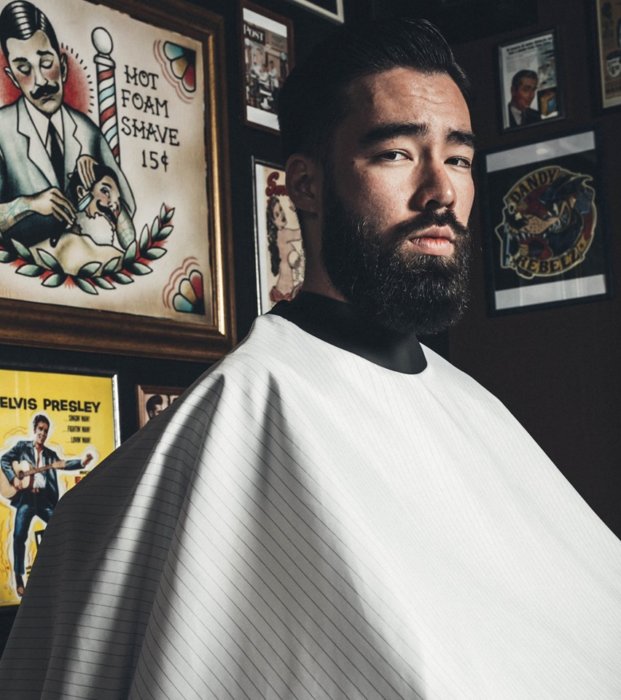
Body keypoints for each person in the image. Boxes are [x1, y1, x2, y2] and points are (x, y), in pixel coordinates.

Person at [1, 18, 620, 700]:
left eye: (459, 159)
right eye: (395, 154)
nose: (441, 191)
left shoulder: (479, 409)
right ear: (305, 184)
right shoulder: (245, 410)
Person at [0, 0, 135, 251]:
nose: (40, 81)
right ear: (13, 78)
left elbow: (128, 221)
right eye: (24, 69)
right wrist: (30, 204)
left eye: (46, 64)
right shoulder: (2, 131)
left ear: (62, 66)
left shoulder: (87, 131)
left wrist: (104, 179)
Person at [0, 414, 91, 597]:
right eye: (40, 429)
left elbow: (64, 464)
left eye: (45, 431)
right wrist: (13, 478)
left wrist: (81, 462)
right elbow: (4, 460)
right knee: (19, 536)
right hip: (26, 499)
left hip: (44, 500)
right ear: (35, 429)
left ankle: (66, 573)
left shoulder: (50, 455)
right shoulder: (22, 447)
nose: (42, 433)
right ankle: (18, 577)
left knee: (61, 528)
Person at [266, 194, 304, 303]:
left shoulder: (279, 236)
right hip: (284, 291)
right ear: (273, 222)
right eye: (277, 214)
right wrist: (297, 211)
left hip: (286, 289)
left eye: (281, 210)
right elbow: (301, 233)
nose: (282, 215)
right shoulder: (283, 234)